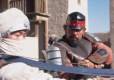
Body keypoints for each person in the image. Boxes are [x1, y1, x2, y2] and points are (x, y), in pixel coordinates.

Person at [0, 8, 65, 80]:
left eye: (24, 35)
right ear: (2, 37)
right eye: (17, 35)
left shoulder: (17, 63)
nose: (21, 39)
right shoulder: (11, 72)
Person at [49, 12, 113, 80]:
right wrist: (81, 68)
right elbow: (62, 74)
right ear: (65, 28)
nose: (74, 33)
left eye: (77, 30)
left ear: (83, 30)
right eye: (71, 29)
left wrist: (92, 64)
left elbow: (107, 52)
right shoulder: (58, 47)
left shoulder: (89, 38)